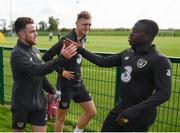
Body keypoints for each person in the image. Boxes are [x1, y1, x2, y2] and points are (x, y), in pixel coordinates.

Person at [64, 19, 172, 132]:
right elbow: (103, 61)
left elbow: (164, 93)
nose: (131, 33)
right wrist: (80, 49)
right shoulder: (128, 53)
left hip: (141, 113)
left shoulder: (160, 60)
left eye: (135, 31)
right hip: (122, 107)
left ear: (148, 36)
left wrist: (133, 111)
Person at [10, 17, 77, 132]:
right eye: (32, 31)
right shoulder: (17, 54)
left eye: (35, 30)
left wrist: (53, 91)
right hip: (22, 104)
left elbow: (40, 76)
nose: (36, 34)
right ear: (21, 35)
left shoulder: (35, 50)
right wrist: (60, 59)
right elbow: (37, 70)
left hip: (39, 104)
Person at [42, 11, 97, 132]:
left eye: (89, 24)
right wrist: (61, 71)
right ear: (77, 23)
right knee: (61, 118)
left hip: (78, 83)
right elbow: (46, 57)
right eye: (84, 24)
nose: (87, 27)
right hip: (65, 85)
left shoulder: (83, 37)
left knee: (91, 112)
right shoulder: (67, 40)